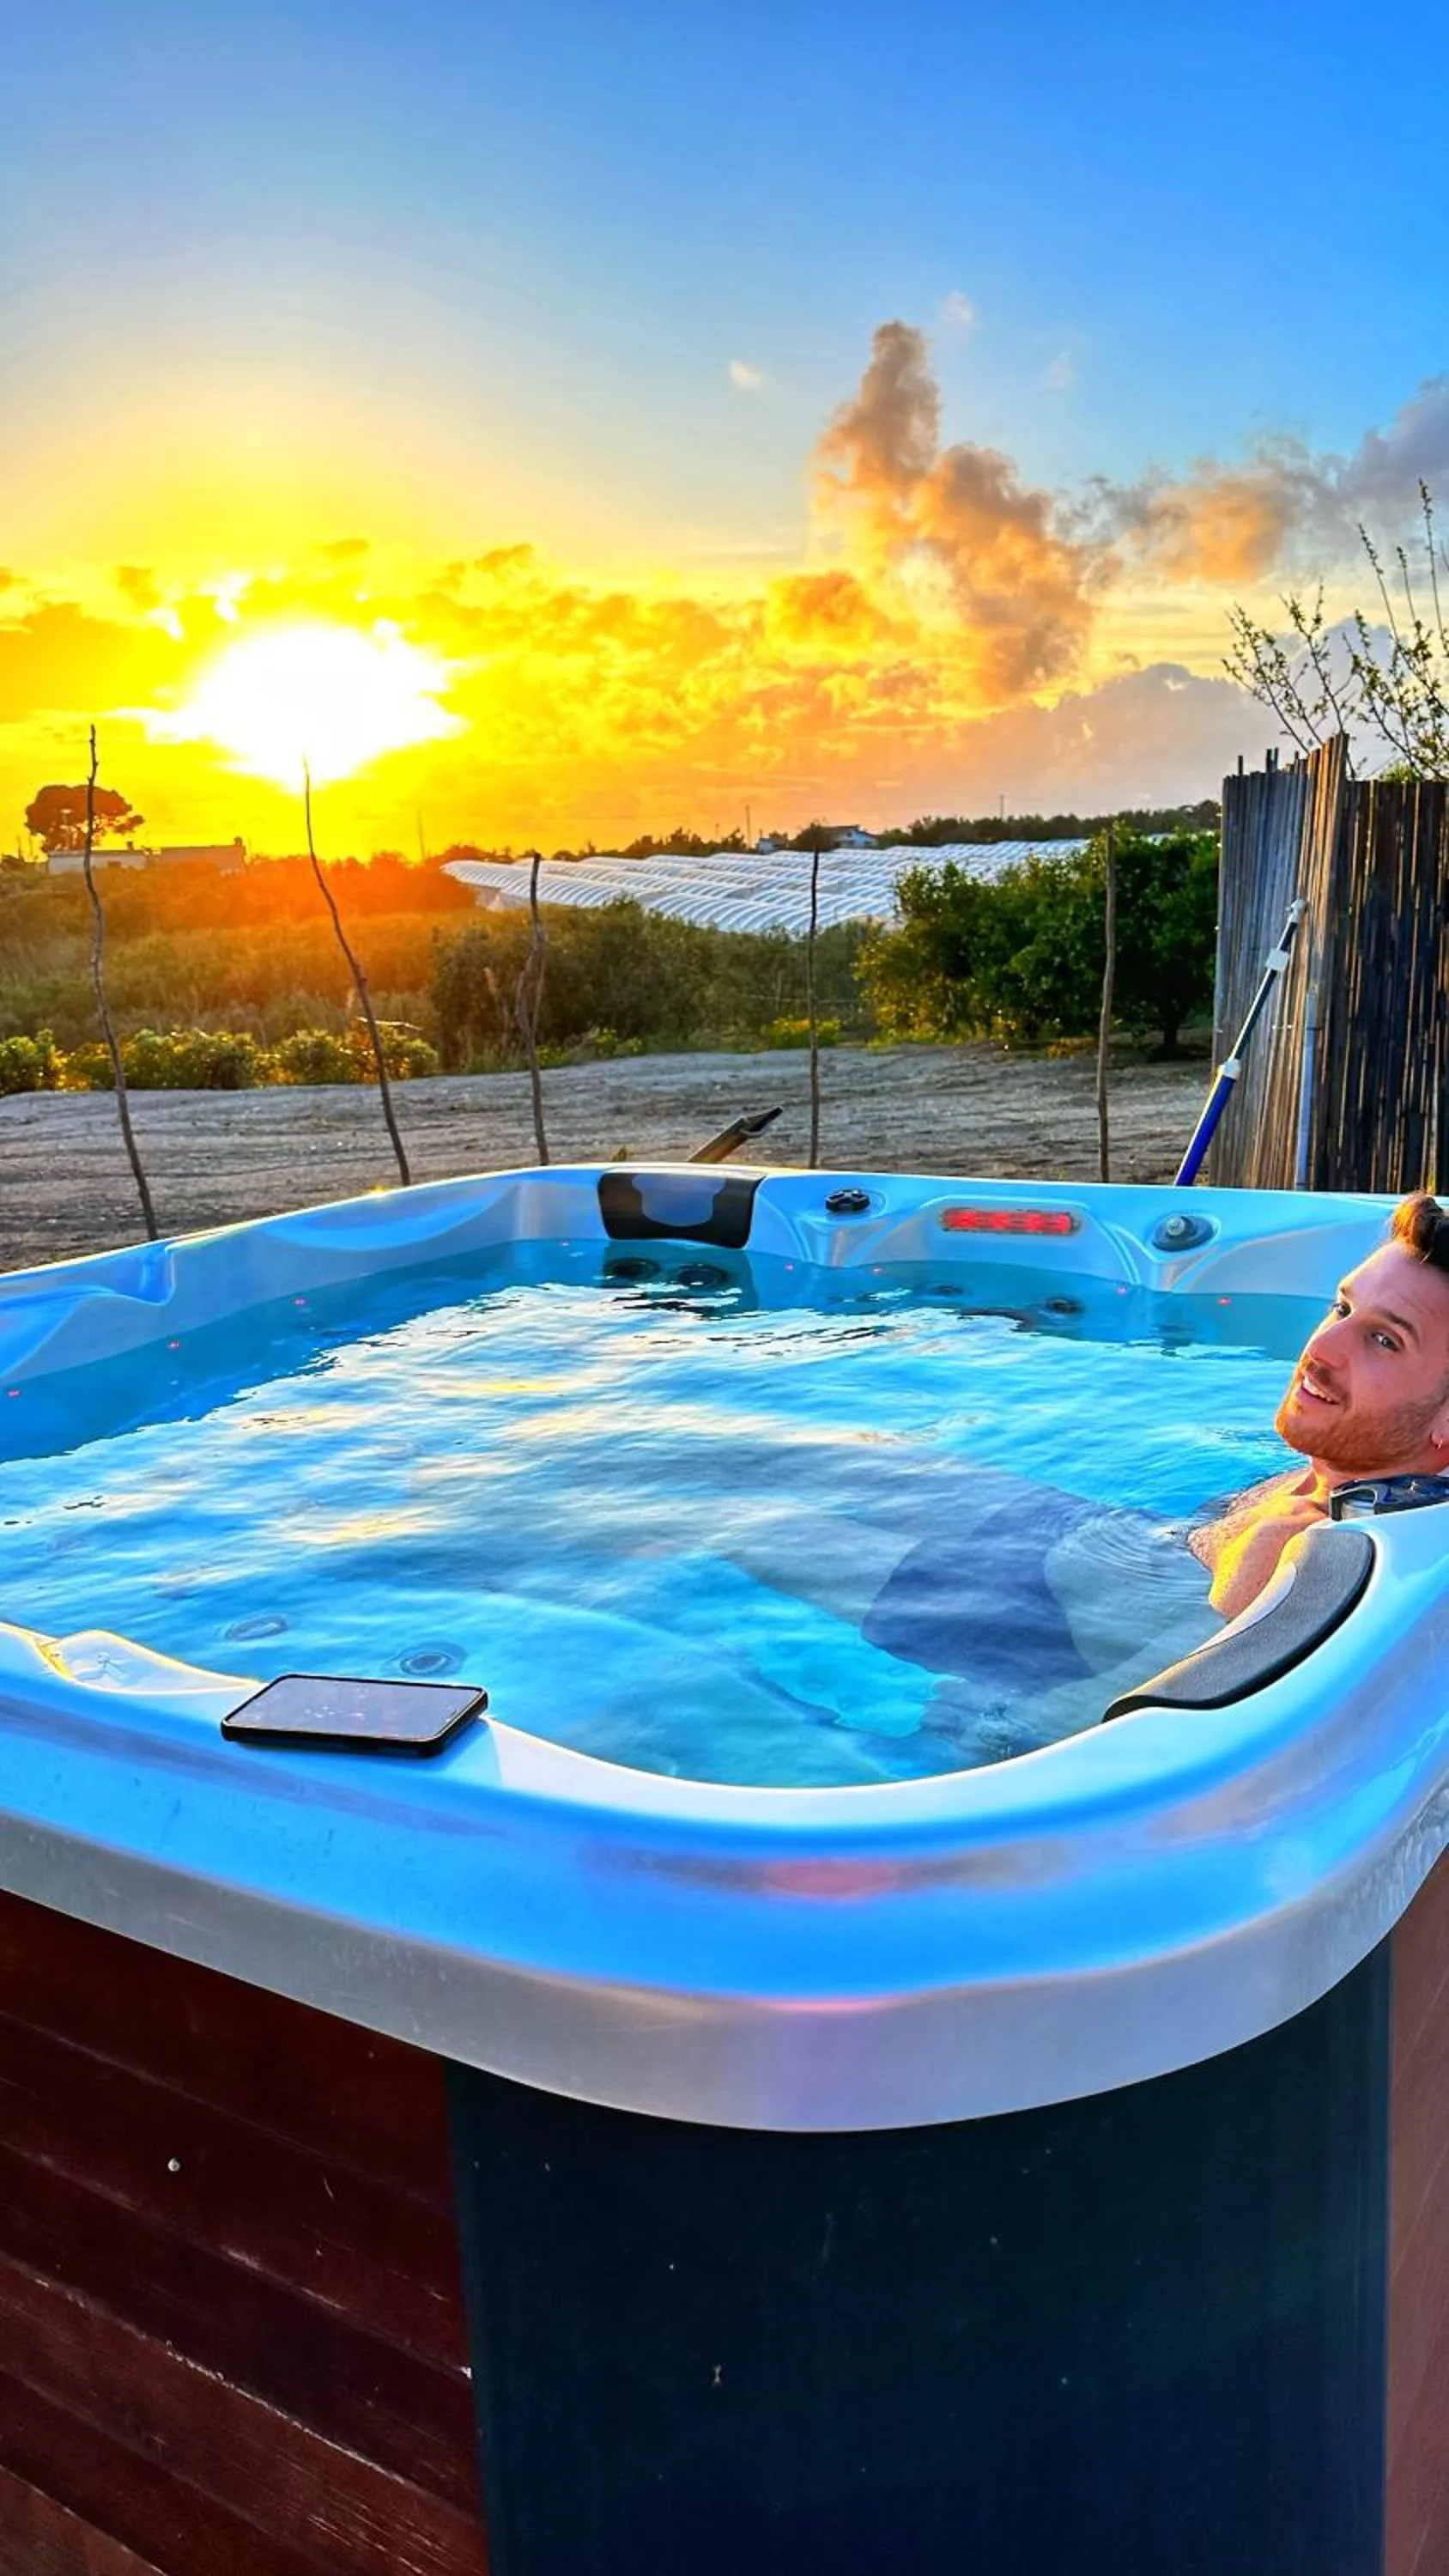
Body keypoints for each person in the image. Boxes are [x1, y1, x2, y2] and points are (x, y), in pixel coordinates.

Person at [1190, 1192, 1449, 1619]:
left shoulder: (1294, 1558)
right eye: (1342, 1309)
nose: (1320, 1348)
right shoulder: (1332, 1480)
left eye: (1384, 1340)